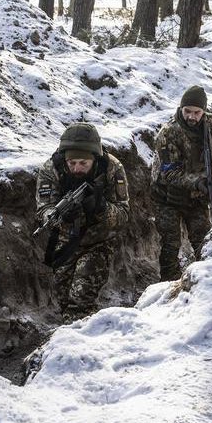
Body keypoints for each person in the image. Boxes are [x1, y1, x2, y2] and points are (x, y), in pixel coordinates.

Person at [35, 123, 130, 321]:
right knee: (64, 300)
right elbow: (43, 209)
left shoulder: (112, 168)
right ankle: (82, 329)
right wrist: (58, 216)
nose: (77, 168)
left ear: (94, 158)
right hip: (66, 241)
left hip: (100, 240)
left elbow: (124, 214)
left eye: (83, 163)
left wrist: (101, 208)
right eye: (72, 163)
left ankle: (76, 342)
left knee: (80, 299)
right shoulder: (51, 169)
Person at [151, 85, 212, 281]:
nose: (192, 116)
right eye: (187, 111)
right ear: (181, 109)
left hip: (198, 197)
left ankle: (207, 281)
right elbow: (169, 173)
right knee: (171, 244)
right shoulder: (168, 133)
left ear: (204, 111)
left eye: (197, 112)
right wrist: (197, 182)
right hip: (167, 197)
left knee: (204, 241)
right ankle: (168, 288)